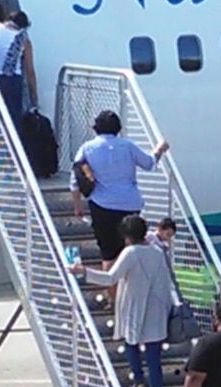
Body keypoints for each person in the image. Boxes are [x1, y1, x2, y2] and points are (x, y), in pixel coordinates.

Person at [67, 216, 173, 387]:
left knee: (130, 342)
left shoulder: (130, 253)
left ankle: (138, 380)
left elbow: (110, 278)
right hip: (156, 309)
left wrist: (83, 271)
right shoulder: (158, 253)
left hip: (134, 306)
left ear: (127, 236)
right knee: (154, 358)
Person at [69, 110, 170, 307]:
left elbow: (74, 181)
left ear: (95, 128)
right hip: (131, 205)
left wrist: (77, 207)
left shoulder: (87, 148)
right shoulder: (128, 146)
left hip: (103, 206)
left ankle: (115, 301)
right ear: (118, 128)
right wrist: (160, 149)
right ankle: (136, 296)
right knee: (132, 250)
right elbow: (149, 163)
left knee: (109, 254)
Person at [0, 10, 39, 133]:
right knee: (12, 120)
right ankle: (12, 149)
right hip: (13, 81)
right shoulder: (24, 39)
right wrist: (34, 97)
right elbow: (29, 71)